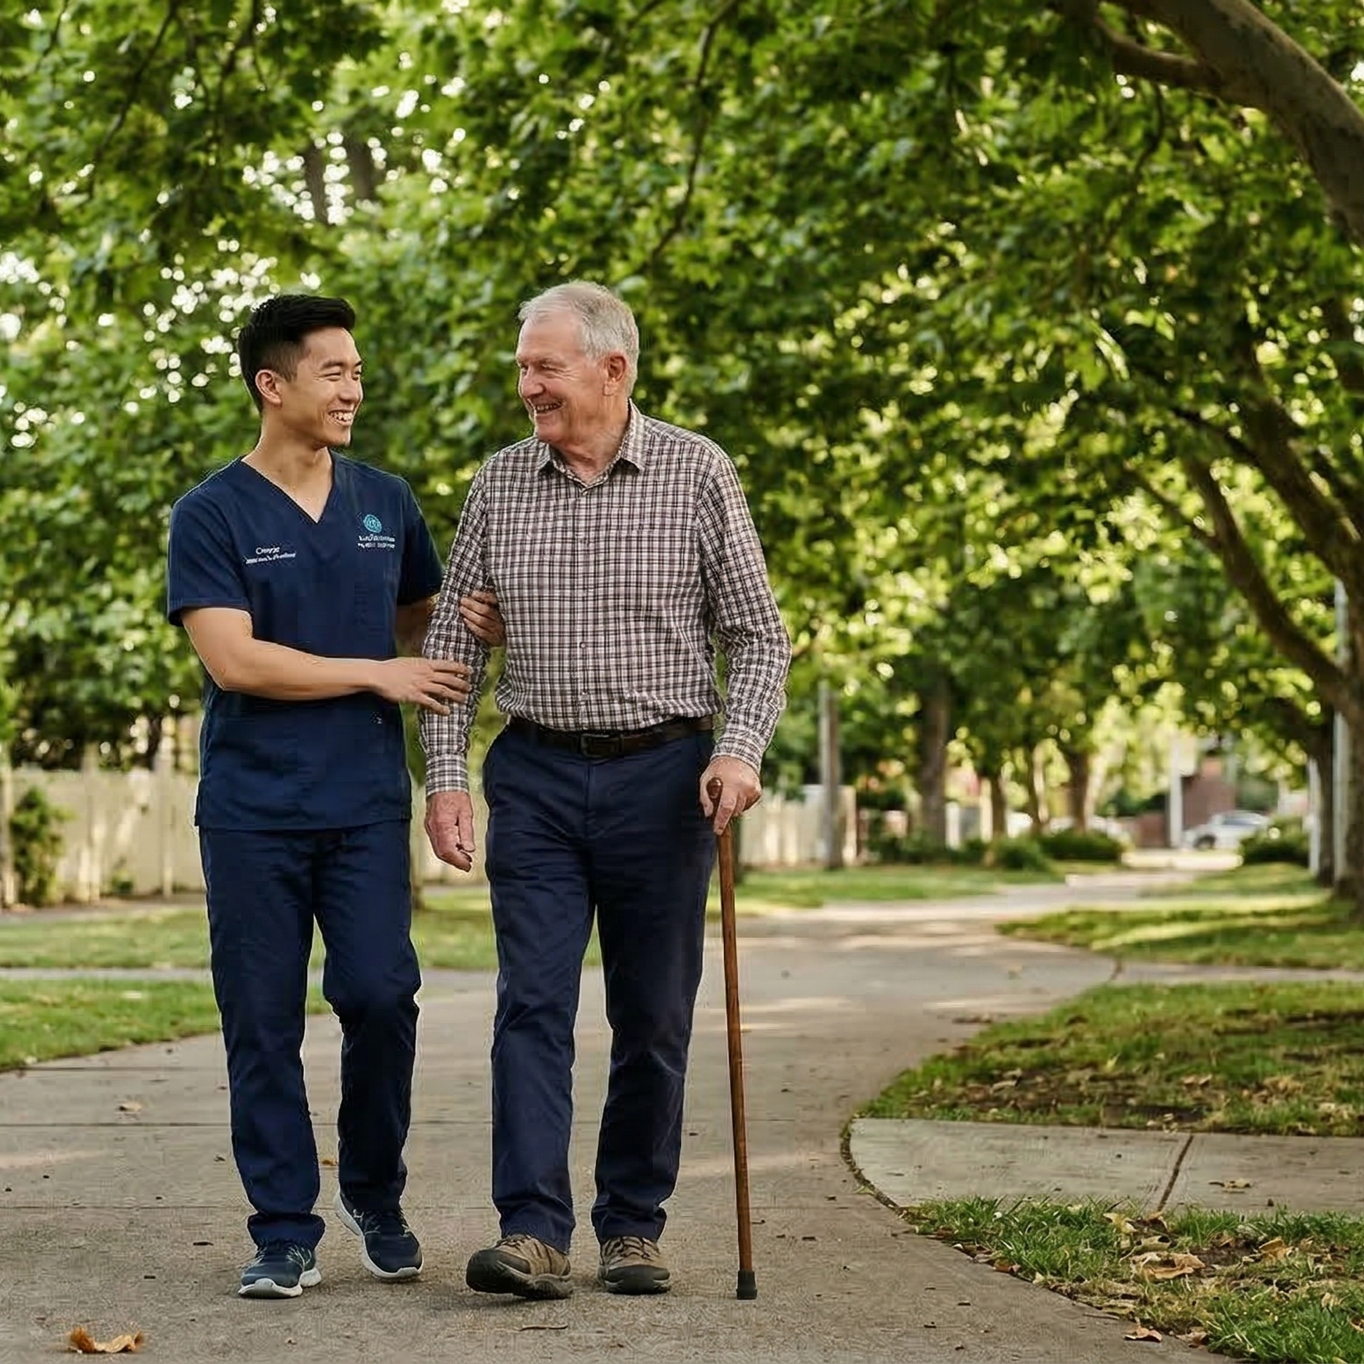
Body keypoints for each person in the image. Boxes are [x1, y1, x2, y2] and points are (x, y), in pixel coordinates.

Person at [421, 280, 790, 1299]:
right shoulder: (498, 485)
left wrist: (740, 748)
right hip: (535, 770)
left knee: (653, 1011)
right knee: (530, 1002)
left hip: (667, 773)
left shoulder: (696, 472)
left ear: (611, 368)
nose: (527, 385)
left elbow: (758, 635)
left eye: (545, 367)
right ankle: (531, 1229)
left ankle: (631, 1223)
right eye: (523, 368)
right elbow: (451, 647)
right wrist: (445, 781)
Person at [165, 293, 475, 1299]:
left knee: (382, 995)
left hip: (361, 807)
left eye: (355, 370)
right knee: (261, 1019)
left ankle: (374, 1191)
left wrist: (467, 644)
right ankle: (283, 1229)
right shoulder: (210, 512)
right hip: (253, 809)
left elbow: (428, 625)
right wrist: (373, 672)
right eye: (333, 371)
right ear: (273, 383)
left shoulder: (386, 500)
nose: (353, 387)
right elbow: (234, 658)